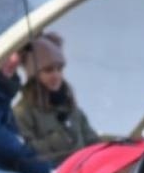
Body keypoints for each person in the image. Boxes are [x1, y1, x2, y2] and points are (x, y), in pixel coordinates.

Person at [14, 31, 101, 165]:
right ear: (34, 75)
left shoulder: (71, 107)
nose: (56, 76)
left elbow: (92, 141)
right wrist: (58, 138)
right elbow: (26, 152)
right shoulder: (22, 113)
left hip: (85, 172)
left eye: (59, 69)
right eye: (48, 70)